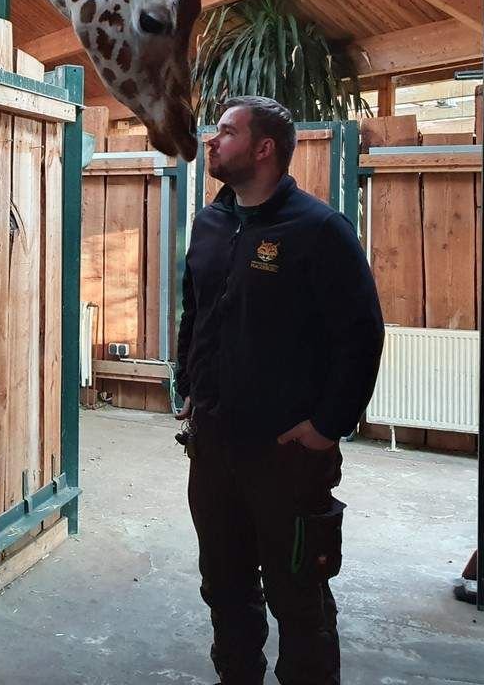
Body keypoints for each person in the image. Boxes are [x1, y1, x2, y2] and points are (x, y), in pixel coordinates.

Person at [175, 96, 385, 685]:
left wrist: (328, 426)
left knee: (299, 596)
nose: (212, 142)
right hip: (214, 446)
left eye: (226, 132)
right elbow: (197, 310)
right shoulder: (211, 222)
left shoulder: (319, 229)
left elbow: (361, 334)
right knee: (224, 586)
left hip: (287, 455)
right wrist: (188, 384)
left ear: (264, 149)